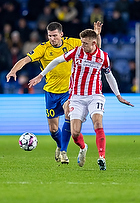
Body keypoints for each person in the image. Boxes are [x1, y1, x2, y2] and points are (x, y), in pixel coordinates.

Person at [28, 29, 134, 170]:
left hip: (95, 95)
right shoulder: (76, 52)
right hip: (77, 97)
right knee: (75, 133)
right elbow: (57, 61)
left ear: (94, 43)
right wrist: (41, 75)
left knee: (97, 123)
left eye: (85, 43)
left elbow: (109, 75)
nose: (82, 45)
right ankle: (83, 147)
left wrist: (118, 95)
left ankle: (101, 157)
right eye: (82, 42)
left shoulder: (103, 56)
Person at [6, 21, 102, 165]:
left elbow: (95, 47)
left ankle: (64, 151)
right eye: (50, 36)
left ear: (61, 34)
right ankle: (59, 145)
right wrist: (14, 70)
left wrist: (97, 34)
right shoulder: (43, 48)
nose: (52, 38)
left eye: (55, 35)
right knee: (53, 129)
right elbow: (26, 60)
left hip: (69, 91)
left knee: (68, 113)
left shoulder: (72, 43)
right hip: (51, 92)